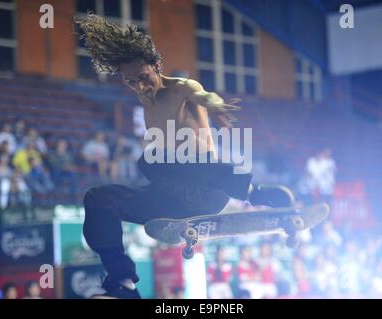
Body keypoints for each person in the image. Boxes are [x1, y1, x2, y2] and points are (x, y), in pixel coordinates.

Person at [77, 14, 296, 299]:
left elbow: (205, 96)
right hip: (172, 198)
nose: (141, 87)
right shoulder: (146, 107)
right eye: (132, 82)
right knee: (98, 198)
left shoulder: (180, 88)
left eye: (144, 78)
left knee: (150, 159)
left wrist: (216, 106)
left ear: (157, 66)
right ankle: (123, 284)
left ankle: (253, 193)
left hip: (209, 190)